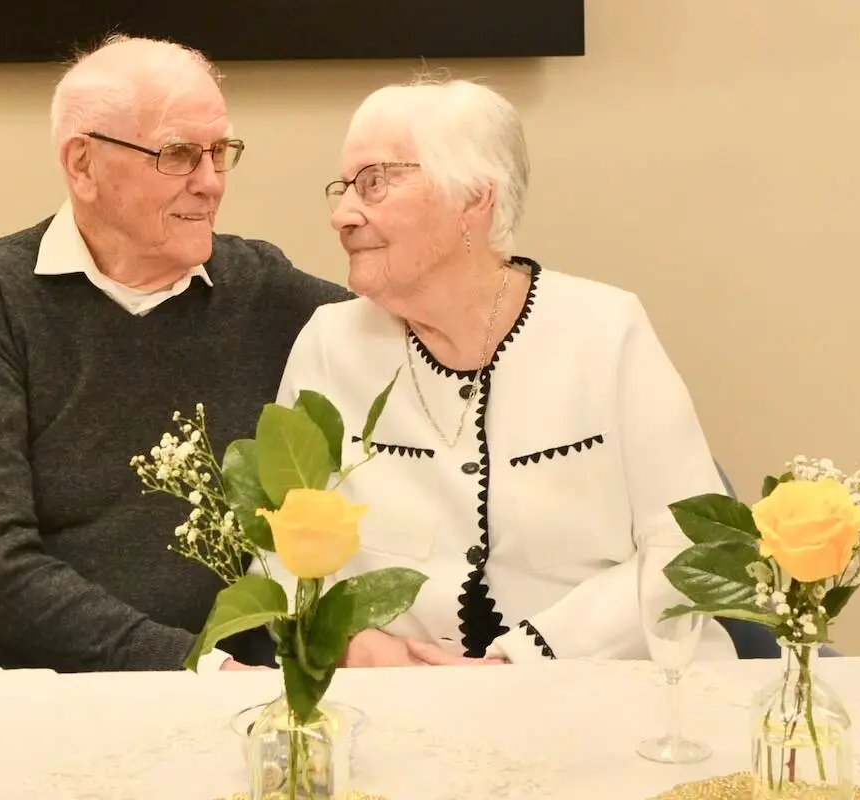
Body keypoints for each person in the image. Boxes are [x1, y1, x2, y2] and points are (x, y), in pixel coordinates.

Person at [0, 35, 349, 674]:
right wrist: (188, 666)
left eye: (220, 152)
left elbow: (413, 328)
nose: (210, 184)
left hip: (217, 680)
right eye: (179, 154)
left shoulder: (263, 289)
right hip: (18, 675)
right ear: (83, 163)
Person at [270, 76, 739, 666]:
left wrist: (525, 658)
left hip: (603, 687)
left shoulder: (606, 330)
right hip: (398, 697)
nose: (342, 216)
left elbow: (693, 543)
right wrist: (357, 648)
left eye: (374, 183)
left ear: (473, 198)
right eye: (343, 189)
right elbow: (277, 549)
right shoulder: (329, 343)